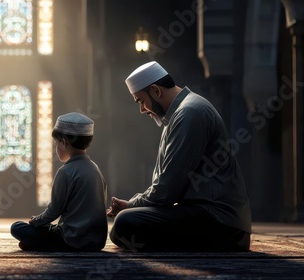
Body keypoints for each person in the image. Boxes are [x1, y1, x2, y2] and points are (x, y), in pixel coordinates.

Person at [107, 61, 252, 252]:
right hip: (211, 218)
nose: (142, 110)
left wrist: (132, 205)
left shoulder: (189, 113)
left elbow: (167, 190)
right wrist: (133, 205)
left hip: (222, 224)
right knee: (128, 221)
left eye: (141, 101)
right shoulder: (179, 114)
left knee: (125, 223)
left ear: (156, 91)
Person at [11, 112, 108, 251]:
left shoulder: (65, 172)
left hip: (71, 240)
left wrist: (36, 221)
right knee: (45, 229)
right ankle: (38, 243)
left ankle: (38, 244)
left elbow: (54, 211)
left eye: (56, 144)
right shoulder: (95, 169)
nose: (56, 148)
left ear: (64, 143)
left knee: (17, 227)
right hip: (96, 242)